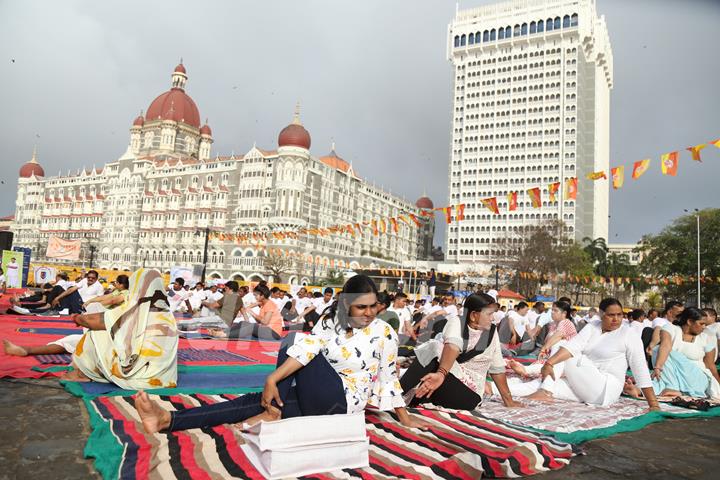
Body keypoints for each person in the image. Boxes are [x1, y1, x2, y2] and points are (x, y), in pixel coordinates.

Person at [132, 274, 430, 434]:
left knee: (292, 342)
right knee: (251, 402)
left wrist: (404, 417)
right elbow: (310, 352)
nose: (367, 314)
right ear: (345, 304)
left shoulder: (383, 333)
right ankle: (168, 420)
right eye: (360, 307)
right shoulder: (329, 324)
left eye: (371, 307)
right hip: (317, 398)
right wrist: (274, 383)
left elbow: (389, 379)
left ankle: (273, 411)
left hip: (342, 406)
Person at [519, 298, 660, 410]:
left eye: (619, 315)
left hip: (605, 388)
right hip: (586, 385)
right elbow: (574, 345)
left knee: (562, 346)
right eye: (611, 315)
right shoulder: (593, 327)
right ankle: (498, 389)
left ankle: (545, 391)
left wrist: (653, 404)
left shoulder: (628, 334)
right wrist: (549, 364)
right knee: (539, 384)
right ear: (601, 313)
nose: (616, 319)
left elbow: (640, 368)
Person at [400, 293, 522, 410]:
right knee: (434, 348)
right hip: (447, 380)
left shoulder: (491, 331)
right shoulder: (457, 322)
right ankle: (403, 395)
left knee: (433, 349)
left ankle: (398, 394)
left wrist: (508, 401)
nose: (493, 318)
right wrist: (441, 374)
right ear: (474, 315)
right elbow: (453, 345)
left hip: (469, 394)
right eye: (489, 314)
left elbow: (497, 369)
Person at [60, 269, 178, 389]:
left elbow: (91, 322)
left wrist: (77, 318)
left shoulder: (134, 310)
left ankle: (84, 373)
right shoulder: (169, 316)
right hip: (162, 374)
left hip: (136, 371)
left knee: (95, 334)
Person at [3, 276, 130, 357]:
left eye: (92, 278)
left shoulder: (126, 297)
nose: (89, 279)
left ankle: (27, 348)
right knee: (69, 339)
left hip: (107, 339)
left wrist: (80, 318)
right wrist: (92, 303)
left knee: (70, 340)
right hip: (98, 327)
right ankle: (26, 348)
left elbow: (110, 303)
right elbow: (106, 299)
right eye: (88, 277)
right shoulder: (121, 296)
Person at [634, 307, 720, 400]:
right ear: (690, 321)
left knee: (660, 352)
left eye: (705, 324)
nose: (704, 327)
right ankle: (639, 390)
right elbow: (665, 345)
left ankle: (672, 387)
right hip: (671, 377)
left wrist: (718, 385)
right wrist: (658, 367)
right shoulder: (671, 328)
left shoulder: (706, 337)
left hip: (697, 381)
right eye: (701, 324)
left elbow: (710, 365)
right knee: (659, 354)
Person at [507, 300, 578, 378]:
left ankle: (526, 369)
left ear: (564, 313)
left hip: (565, 359)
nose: (552, 312)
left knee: (559, 344)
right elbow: (548, 340)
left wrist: (543, 349)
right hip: (553, 357)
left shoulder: (566, 322)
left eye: (555, 310)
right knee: (541, 362)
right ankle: (526, 369)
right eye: (552, 310)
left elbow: (557, 336)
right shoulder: (553, 325)